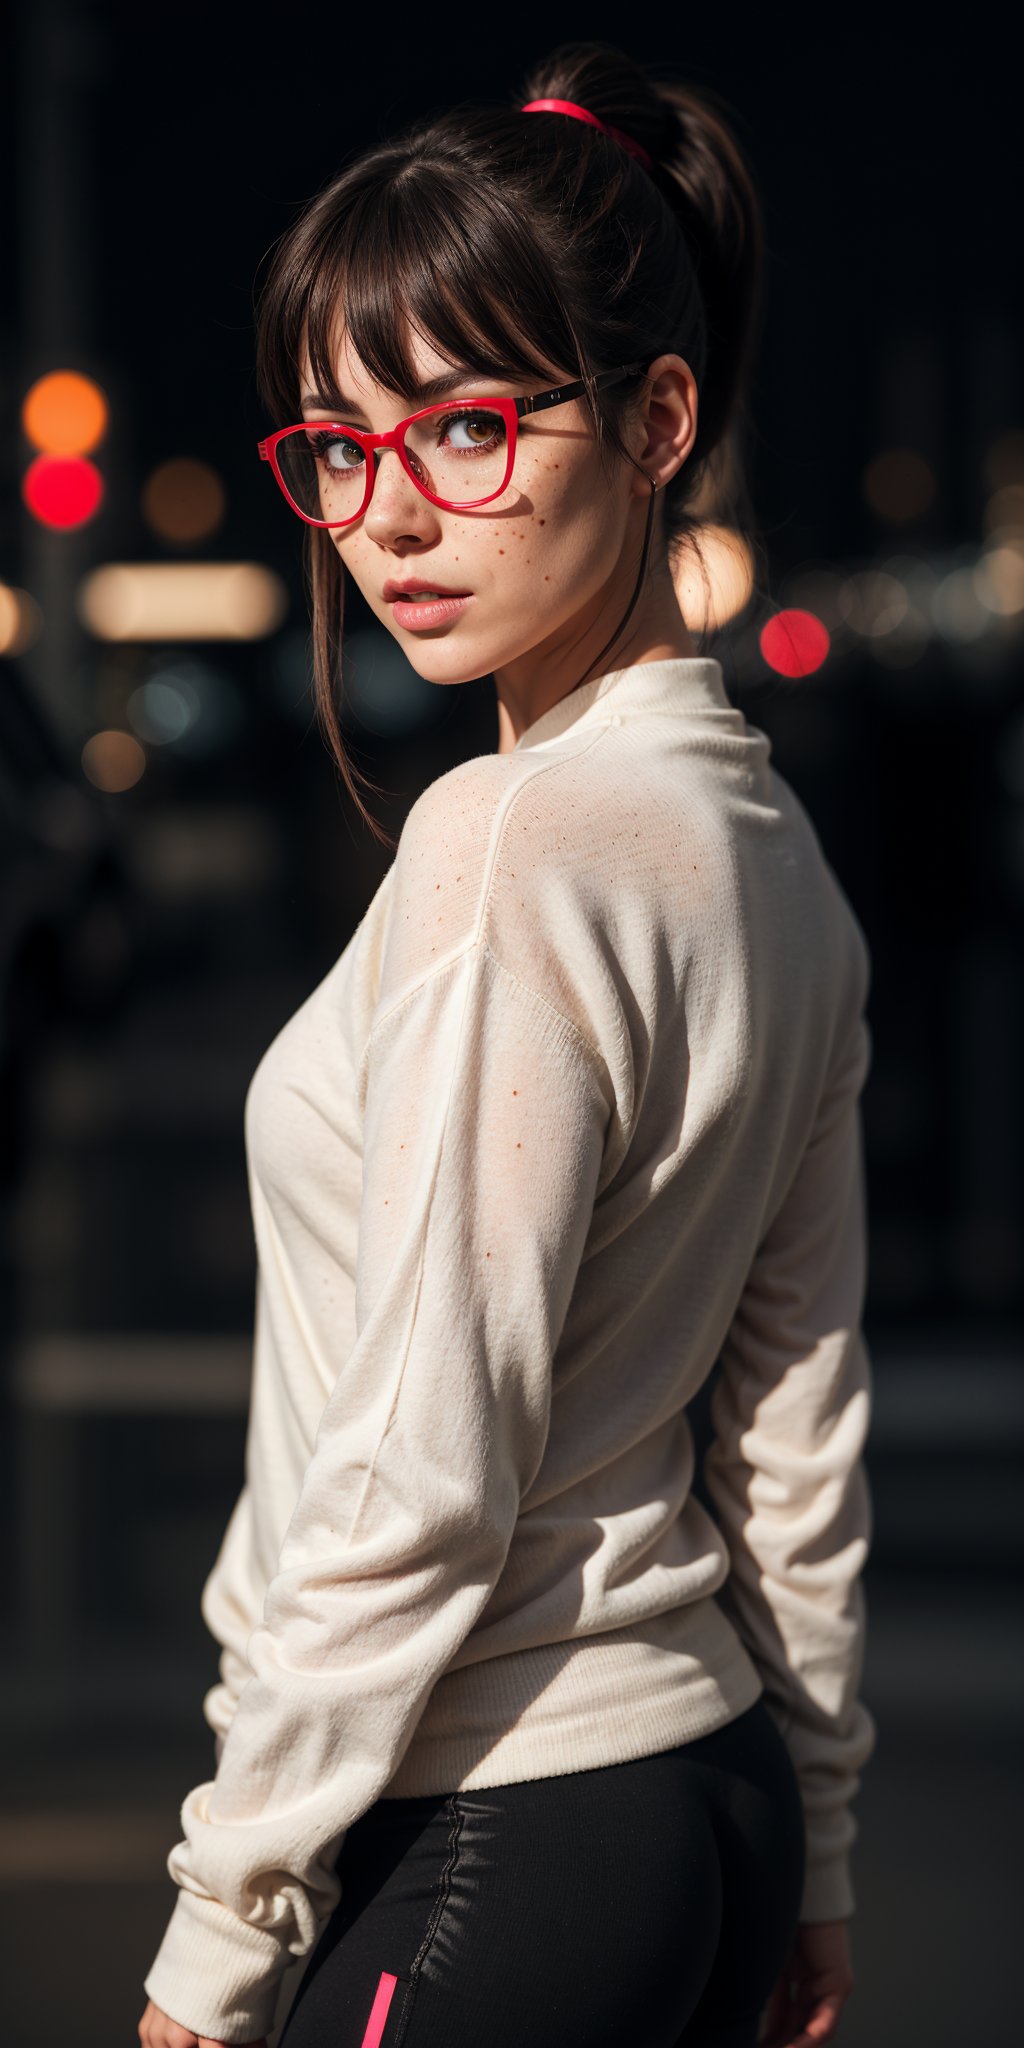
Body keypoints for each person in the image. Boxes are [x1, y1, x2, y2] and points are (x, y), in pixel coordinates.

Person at [138, 38, 876, 2048]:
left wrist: (220, 1932)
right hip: (692, 1806)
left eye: (463, 426)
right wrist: (801, 1849)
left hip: (499, 1826)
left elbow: (418, 1472)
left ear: (654, 418)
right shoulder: (766, 847)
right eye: (337, 449)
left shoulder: (510, 839)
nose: (391, 517)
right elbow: (789, 1434)